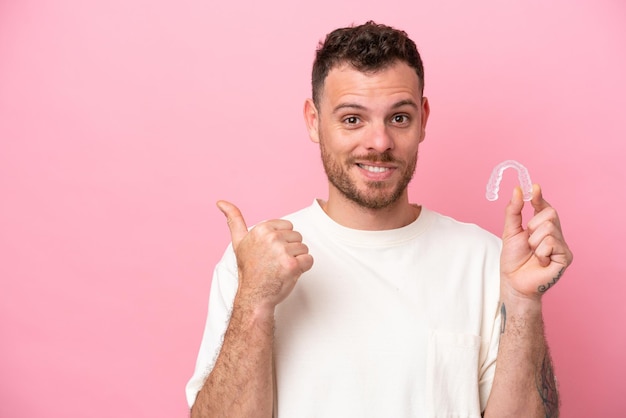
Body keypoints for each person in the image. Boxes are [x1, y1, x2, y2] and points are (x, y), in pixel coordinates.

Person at [186, 21, 573, 417]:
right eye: (353, 119)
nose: (379, 142)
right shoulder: (255, 261)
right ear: (313, 121)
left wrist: (523, 302)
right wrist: (254, 301)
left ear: (422, 118)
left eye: (399, 118)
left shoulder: (487, 260)